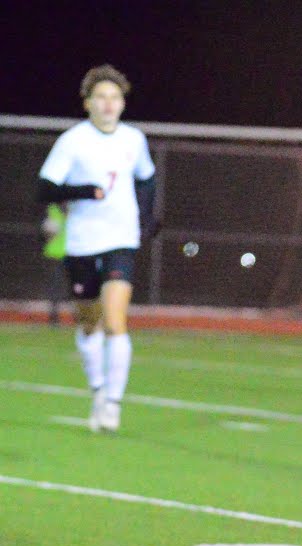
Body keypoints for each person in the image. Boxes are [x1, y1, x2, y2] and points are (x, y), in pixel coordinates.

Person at [37, 64, 156, 433]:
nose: (108, 104)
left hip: (121, 239)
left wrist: (146, 221)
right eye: (101, 97)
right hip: (82, 242)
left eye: (115, 98)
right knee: (90, 323)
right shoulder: (73, 141)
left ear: (122, 103)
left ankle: (113, 404)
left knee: (116, 319)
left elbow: (147, 179)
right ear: (87, 103)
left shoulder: (134, 139)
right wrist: (83, 192)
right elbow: (45, 189)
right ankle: (98, 390)